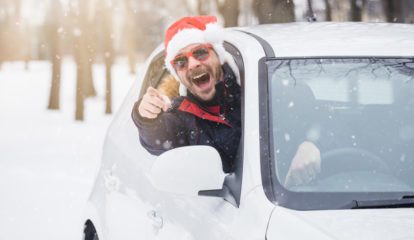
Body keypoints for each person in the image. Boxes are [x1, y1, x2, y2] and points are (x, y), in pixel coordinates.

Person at [132, 16, 320, 184]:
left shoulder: (265, 92)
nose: (193, 63)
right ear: (178, 74)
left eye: (200, 53)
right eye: (181, 62)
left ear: (218, 56)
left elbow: (320, 123)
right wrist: (147, 118)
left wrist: (310, 145)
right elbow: (159, 141)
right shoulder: (181, 116)